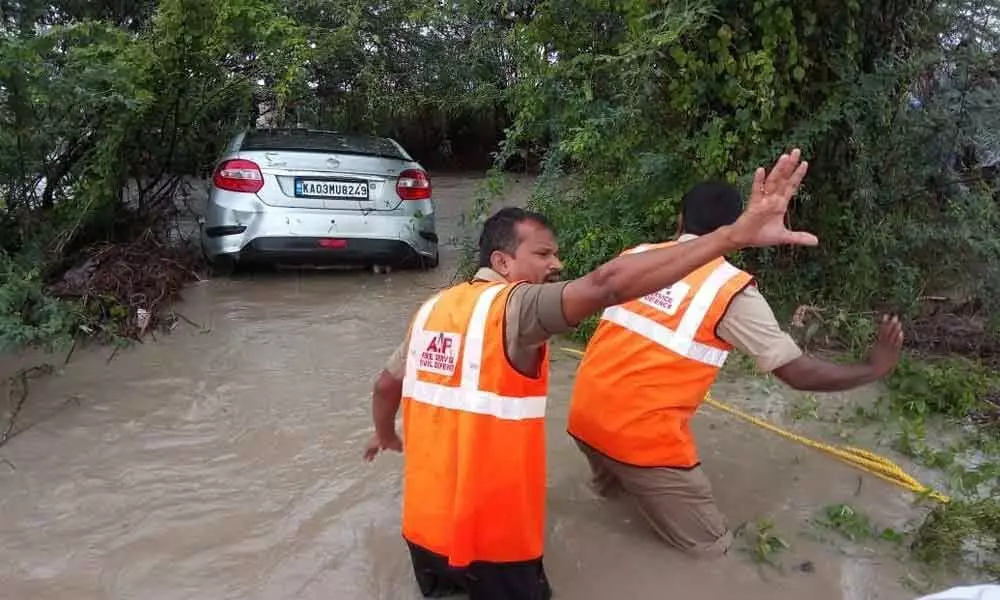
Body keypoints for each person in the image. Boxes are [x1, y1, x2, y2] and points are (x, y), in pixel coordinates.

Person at [363, 150, 815, 600]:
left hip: (423, 531)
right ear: (503, 263)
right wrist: (732, 237)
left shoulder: (430, 310)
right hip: (494, 543)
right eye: (543, 254)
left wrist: (385, 434)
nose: (556, 265)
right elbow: (606, 285)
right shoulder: (518, 307)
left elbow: (385, 387)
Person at [565, 179, 905, 560]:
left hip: (582, 417)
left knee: (615, 500)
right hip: (641, 441)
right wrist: (873, 368)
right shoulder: (730, 290)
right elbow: (797, 373)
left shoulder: (638, 255)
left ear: (680, 220)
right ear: (738, 229)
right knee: (711, 552)